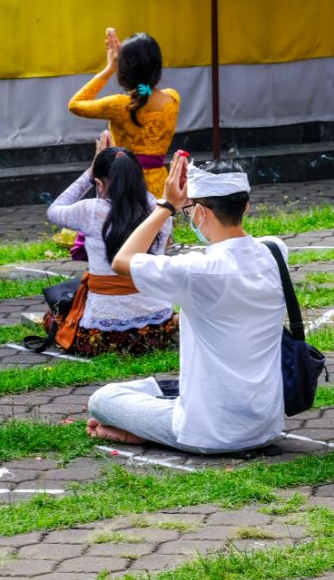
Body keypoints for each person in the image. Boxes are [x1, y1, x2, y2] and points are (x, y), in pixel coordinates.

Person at [86, 155, 286, 454]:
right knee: (172, 385)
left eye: (190, 210)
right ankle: (145, 426)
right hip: (265, 424)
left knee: (104, 399)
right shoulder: (275, 250)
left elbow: (122, 260)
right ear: (245, 205)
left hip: (206, 432)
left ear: (201, 212)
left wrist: (166, 206)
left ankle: (144, 431)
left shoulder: (196, 269)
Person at [45, 133, 175, 356]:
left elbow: (54, 210)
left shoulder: (90, 210)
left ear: (98, 182)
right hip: (156, 328)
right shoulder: (161, 210)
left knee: (53, 317)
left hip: (101, 335)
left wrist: (89, 171)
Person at [68, 30, 179, 199]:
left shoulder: (119, 106)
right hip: (159, 186)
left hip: (124, 185)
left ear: (124, 69)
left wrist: (109, 68)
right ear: (157, 65)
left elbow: (75, 105)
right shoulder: (172, 99)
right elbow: (146, 91)